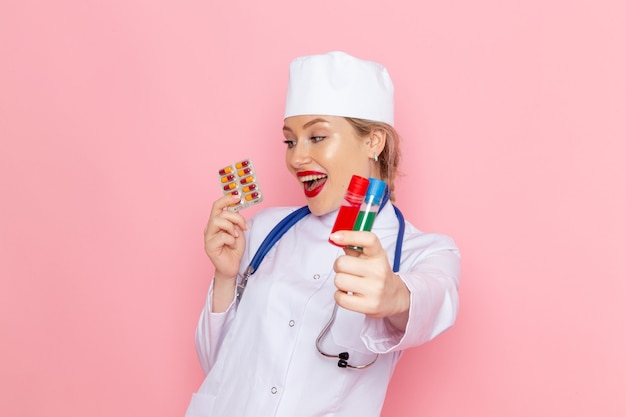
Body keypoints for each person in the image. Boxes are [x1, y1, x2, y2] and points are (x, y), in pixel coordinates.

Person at [185, 51, 460, 417]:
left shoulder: (421, 252)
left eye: (316, 137)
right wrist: (225, 277)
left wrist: (395, 296)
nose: (297, 158)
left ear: (373, 142)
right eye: (289, 141)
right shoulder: (265, 230)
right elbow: (218, 371)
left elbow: (436, 298)